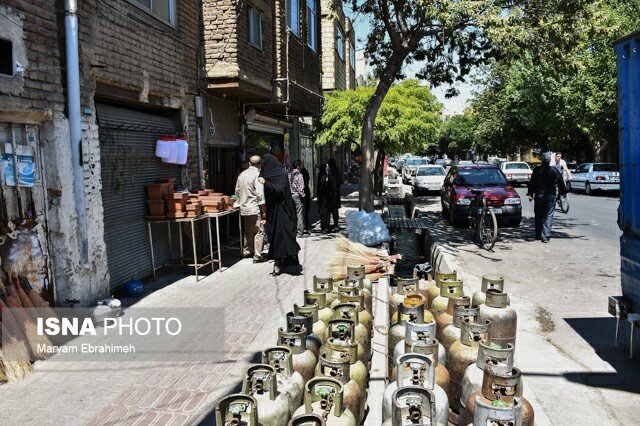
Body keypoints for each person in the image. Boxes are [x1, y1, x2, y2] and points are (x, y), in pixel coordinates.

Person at [258, 154, 301, 275]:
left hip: (283, 210)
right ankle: (285, 261)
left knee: (281, 237)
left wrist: (266, 183)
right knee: (275, 236)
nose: (261, 166)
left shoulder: (281, 174)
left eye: (263, 164)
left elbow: (280, 190)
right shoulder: (266, 174)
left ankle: (278, 263)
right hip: (272, 211)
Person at [527, 152, 568, 243]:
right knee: (549, 215)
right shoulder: (553, 170)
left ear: (541, 160)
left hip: (539, 196)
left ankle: (538, 235)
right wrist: (564, 191)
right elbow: (560, 181)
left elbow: (532, 183)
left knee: (538, 215)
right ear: (549, 161)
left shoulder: (537, 170)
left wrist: (530, 194)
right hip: (550, 196)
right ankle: (545, 236)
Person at [235, 156, 266, 263]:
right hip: (254, 207)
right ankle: (257, 255)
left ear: (249, 163)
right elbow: (260, 195)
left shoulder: (242, 175)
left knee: (248, 230)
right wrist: (264, 211)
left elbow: (237, 192)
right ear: (259, 164)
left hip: (244, 208)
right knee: (259, 231)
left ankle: (247, 251)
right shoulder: (257, 175)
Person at [323, 158, 342, 233]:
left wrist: (327, 182)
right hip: (336, 194)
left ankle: (328, 225)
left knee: (328, 210)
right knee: (335, 210)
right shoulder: (337, 172)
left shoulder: (331, 174)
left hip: (331, 194)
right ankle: (335, 224)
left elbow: (330, 184)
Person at [289, 160, 306, 237]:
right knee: (299, 214)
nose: (302, 167)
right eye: (301, 165)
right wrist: (303, 195)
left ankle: (292, 230)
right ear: (298, 166)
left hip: (290, 195)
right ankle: (299, 231)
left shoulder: (289, 174)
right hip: (297, 195)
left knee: (292, 213)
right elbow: (301, 187)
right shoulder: (299, 175)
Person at [317, 164, 328, 232]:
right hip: (323, 197)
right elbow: (323, 187)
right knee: (324, 212)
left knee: (322, 212)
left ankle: (323, 225)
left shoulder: (320, 175)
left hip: (320, 196)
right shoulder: (323, 176)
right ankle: (324, 226)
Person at [300, 162, 311, 233]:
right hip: (306, 192)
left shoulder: (301, 173)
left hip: (303, 192)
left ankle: (303, 225)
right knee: (305, 210)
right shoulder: (305, 172)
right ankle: (305, 224)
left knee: (302, 210)